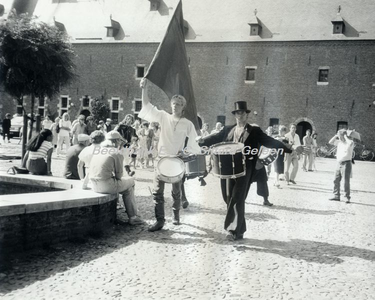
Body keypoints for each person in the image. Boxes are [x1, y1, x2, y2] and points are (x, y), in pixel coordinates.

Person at [199, 101, 298, 241]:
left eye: (242, 113)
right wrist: (198, 142)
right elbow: (213, 138)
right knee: (228, 198)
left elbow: (270, 141)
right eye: (237, 113)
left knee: (237, 197)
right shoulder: (228, 130)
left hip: (245, 169)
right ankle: (240, 230)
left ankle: (232, 230)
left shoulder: (254, 131)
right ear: (235, 115)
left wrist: (289, 148)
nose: (240, 115)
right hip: (227, 169)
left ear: (246, 114)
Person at [139, 78, 201, 232]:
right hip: (161, 159)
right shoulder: (163, 116)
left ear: (183, 107)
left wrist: (185, 152)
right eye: (173, 103)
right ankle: (159, 221)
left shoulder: (188, 123)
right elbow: (147, 106)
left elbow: (195, 144)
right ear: (170, 105)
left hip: (176, 160)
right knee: (157, 192)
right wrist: (144, 89)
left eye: (179, 104)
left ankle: (176, 216)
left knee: (176, 192)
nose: (175, 106)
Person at [89, 130, 144, 225]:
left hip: (93, 184)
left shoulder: (98, 150)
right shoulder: (116, 152)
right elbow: (119, 176)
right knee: (130, 182)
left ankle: (127, 209)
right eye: (119, 141)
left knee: (126, 187)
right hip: (106, 185)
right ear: (116, 141)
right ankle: (133, 216)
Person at [328, 129, 355, 203]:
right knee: (336, 180)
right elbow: (330, 142)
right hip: (339, 163)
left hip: (346, 163)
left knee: (346, 181)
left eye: (340, 136)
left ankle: (347, 197)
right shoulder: (339, 143)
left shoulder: (350, 142)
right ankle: (336, 195)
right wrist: (336, 135)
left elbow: (350, 143)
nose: (338, 137)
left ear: (343, 136)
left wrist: (345, 136)